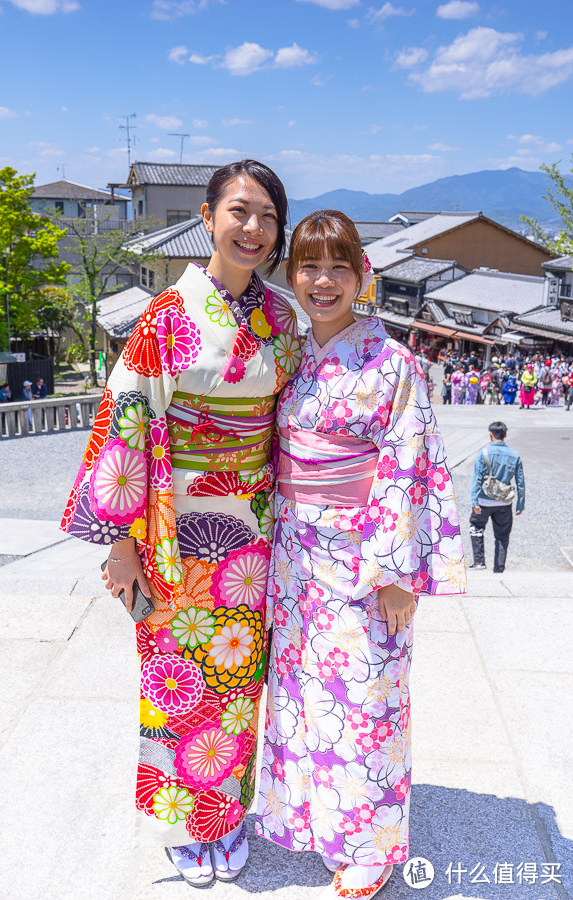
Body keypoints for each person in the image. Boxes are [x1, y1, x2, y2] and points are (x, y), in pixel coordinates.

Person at [60, 160, 301, 887]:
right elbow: (126, 422)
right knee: (176, 676)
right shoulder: (165, 316)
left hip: (254, 530)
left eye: (267, 215)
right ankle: (179, 820)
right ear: (207, 217)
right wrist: (122, 545)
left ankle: (225, 814)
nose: (254, 228)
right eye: (240, 211)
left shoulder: (284, 320)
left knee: (237, 678)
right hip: (177, 523)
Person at [255, 211, 466, 899]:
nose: (323, 281)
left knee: (365, 697)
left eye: (339, 267)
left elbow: (410, 464)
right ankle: (318, 820)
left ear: (362, 277)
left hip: (363, 557)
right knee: (305, 698)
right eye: (310, 267)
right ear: (292, 276)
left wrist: (400, 572)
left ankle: (370, 844)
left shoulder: (393, 364)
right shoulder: (290, 356)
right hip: (293, 561)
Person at [469, 421, 524, 572]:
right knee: (502, 535)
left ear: (490, 435)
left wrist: (474, 501)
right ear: (505, 435)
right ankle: (499, 568)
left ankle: (479, 562)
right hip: (504, 503)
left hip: (483, 500)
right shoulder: (515, 455)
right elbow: (520, 482)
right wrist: (520, 504)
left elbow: (477, 479)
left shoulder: (483, 453)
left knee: (476, 527)